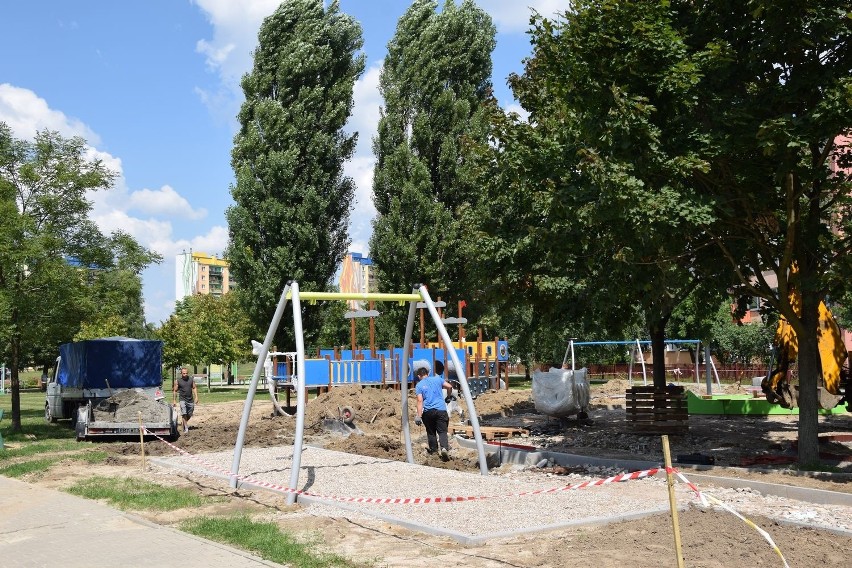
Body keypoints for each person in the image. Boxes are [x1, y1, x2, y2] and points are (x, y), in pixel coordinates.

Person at [413, 360, 453, 460]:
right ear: (427, 373)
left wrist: (419, 416)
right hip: (441, 410)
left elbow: (419, 401)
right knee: (442, 431)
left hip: (428, 412)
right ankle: (444, 448)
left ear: (419, 376)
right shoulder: (437, 379)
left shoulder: (419, 385)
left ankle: (434, 452)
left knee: (431, 432)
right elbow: (449, 386)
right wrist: (448, 396)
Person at [173, 367, 198, 434]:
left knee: (189, 414)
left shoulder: (191, 379)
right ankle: (186, 428)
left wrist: (196, 397)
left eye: (186, 373)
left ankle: (184, 422)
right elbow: (175, 391)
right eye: (184, 373)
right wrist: (174, 400)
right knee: (184, 413)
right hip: (182, 399)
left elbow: (194, 388)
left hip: (190, 400)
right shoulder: (178, 381)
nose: (185, 374)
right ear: (181, 373)